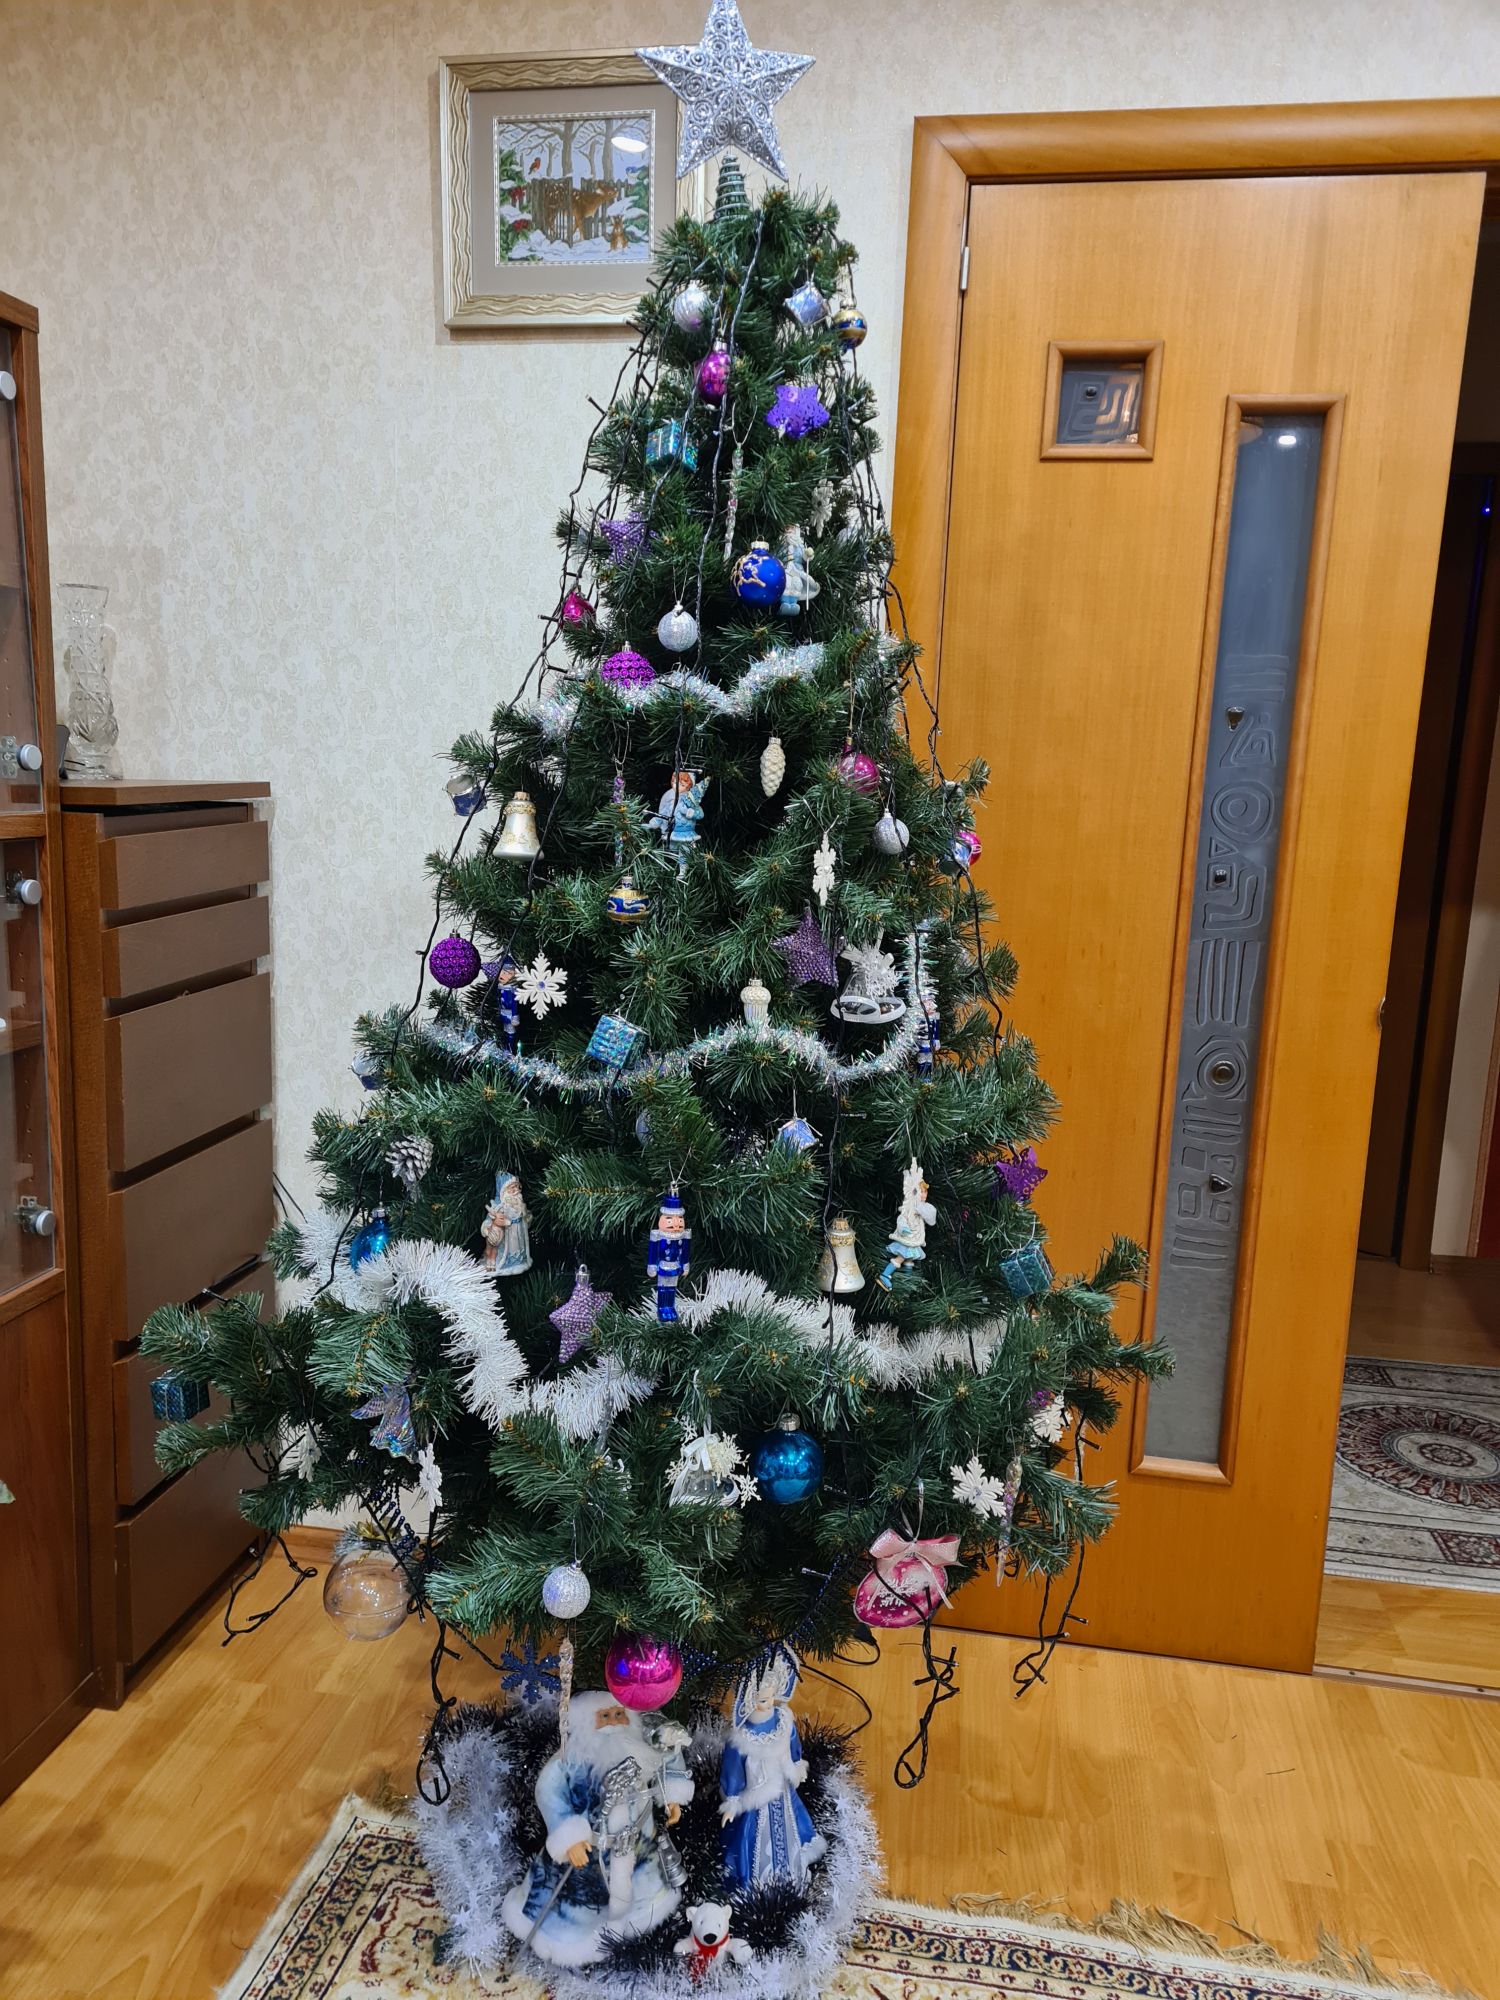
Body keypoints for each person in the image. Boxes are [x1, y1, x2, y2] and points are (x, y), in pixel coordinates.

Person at [502, 1691, 694, 1967]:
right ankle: (577, 1945)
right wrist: (569, 1837)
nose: (613, 1722)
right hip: (590, 1855)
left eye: (619, 1714)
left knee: (643, 1898)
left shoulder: (638, 1748)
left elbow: (667, 1755)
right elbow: (549, 1791)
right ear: (585, 1722)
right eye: (604, 1716)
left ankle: (637, 1930)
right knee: (581, 1909)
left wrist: (672, 1795)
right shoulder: (571, 1761)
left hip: (638, 1849)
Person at [718, 1653, 826, 1892]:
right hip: (757, 1797)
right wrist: (732, 1801)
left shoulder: (783, 1720)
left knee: (791, 1826)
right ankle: (757, 1881)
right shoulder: (741, 1736)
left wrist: (797, 1764)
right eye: (759, 1700)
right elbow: (733, 1769)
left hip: (783, 1791)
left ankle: (790, 1873)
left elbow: (793, 1743)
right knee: (753, 1837)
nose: (765, 1705)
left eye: (768, 1699)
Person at [647, 1188, 691, 1321]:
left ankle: (670, 1307)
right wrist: (651, 1265)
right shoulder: (658, 1236)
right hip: (662, 1266)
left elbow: (685, 1252)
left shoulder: (683, 1236)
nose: (676, 1224)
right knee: (663, 1288)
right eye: (670, 1220)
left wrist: (685, 1264)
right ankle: (662, 1308)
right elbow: (653, 1251)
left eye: (680, 1220)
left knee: (672, 1288)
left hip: (675, 1266)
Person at [482, 1170, 532, 1276]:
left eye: (518, 1187)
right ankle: (497, 1262)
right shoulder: (499, 1206)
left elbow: (527, 1216)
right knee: (500, 1248)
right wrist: (486, 1228)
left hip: (519, 1232)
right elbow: (491, 1219)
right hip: (507, 1233)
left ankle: (518, 1261)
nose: (516, 1190)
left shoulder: (520, 1205)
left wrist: (526, 1216)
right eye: (512, 1188)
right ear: (504, 1191)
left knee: (518, 1248)